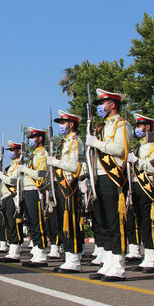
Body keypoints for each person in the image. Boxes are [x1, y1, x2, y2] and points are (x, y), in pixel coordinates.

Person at [86, 89, 133, 282]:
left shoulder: (122, 125)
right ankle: (109, 262)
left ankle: (119, 265)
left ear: (112, 104)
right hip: (98, 176)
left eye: (102, 103)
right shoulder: (99, 127)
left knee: (115, 222)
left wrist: (98, 143)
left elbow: (120, 149)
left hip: (113, 176)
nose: (99, 107)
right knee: (103, 221)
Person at [47, 111, 85, 273]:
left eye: (63, 123)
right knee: (61, 222)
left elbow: (75, 167)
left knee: (71, 222)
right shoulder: (63, 143)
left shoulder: (76, 142)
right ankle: (69, 256)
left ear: (72, 124)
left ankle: (75, 259)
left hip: (70, 185)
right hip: (60, 186)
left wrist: (55, 161)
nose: (61, 126)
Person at [127, 114, 154, 273]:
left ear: (147, 127)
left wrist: (137, 162)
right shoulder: (138, 147)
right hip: (136, 186)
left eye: (139, 126)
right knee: (140, 221)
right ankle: (147, 256)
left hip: (148, 186)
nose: (137, 129)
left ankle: (152, 258)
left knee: (148, 222)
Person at [20, 127, 50, 267]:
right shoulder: (34, 155)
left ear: (40, 138)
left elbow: (40, 174)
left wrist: (24, 169)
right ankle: (37, 251)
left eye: (33, 138)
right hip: (28, 191)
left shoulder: (43, 154)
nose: (31, 140)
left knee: (37, 222)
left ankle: (42, 253)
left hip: (35, 191)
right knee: (31, 223)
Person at [0, 140, 25, 262]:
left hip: (13, 196)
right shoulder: (10, 166)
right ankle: (12, 249)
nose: (10, 152)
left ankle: (15, 251)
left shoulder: (19, 164)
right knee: (8, 223)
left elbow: (13, 181)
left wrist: (1, 176)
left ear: (19, 151)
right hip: (5, 197)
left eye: (12, 150)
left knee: (14, 223)